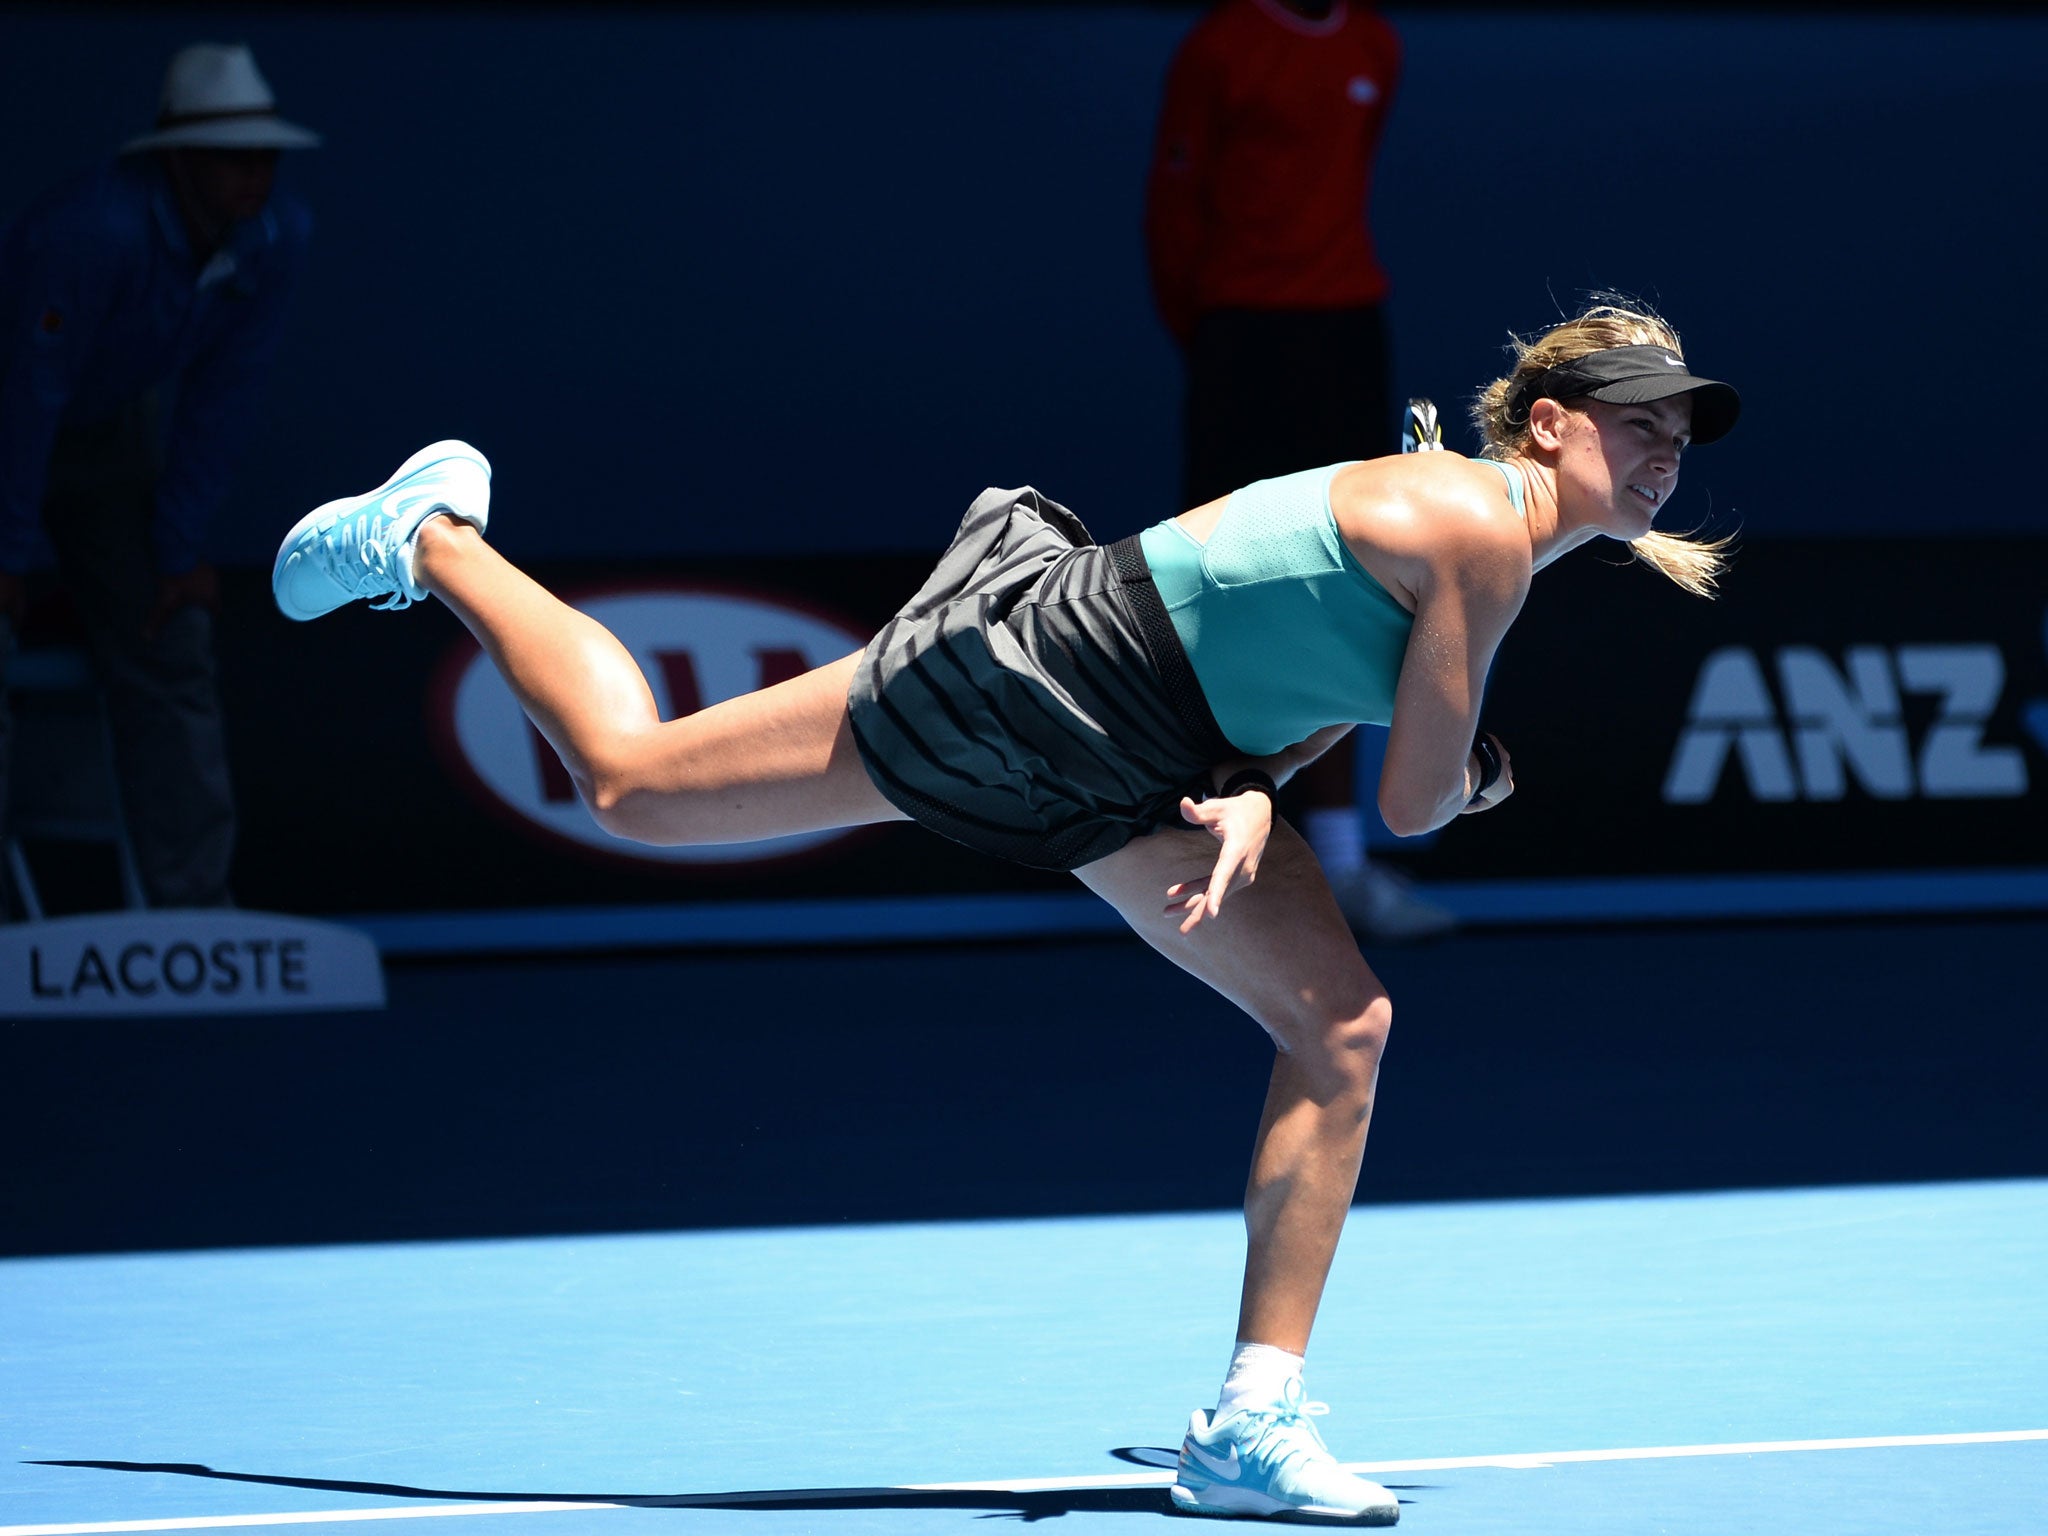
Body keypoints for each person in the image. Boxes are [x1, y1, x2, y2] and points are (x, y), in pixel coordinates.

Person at [271, 300, 1739, 1524]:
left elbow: (1291, 645)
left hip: (1162, 754)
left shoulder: (1496, 549)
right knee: (634, 787)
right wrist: (1480, 778)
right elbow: (1416, 804)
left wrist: (1253, 785)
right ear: (1547, 420)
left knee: (1342, 1021)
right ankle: (436, 542)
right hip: (1048, 675)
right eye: (1638, 422)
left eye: (1678, 435)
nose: (1663, 456)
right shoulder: (1483, 537)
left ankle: (1247, 1426)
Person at [1145, 0, 1453, 942]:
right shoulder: (1223, 45)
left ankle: (1340, 863)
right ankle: (1191, 851)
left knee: (1352, 595)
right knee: (1218, 587)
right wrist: (1221, 332)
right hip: (1242, 340)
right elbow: (1173, 210)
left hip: (1344, 339)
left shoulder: (1374, 44)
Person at [0, 43, 317, 909]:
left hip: (105, 439)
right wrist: (9, 556)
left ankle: (194, 908)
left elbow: (221, 399)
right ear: (178, 157)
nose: (255, 174)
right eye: (230, 154)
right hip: (13, 425)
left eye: (265, 155)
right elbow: (25, 400)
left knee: (168, 633)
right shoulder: (89, 232)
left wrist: (177, 550)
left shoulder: (275, 237)